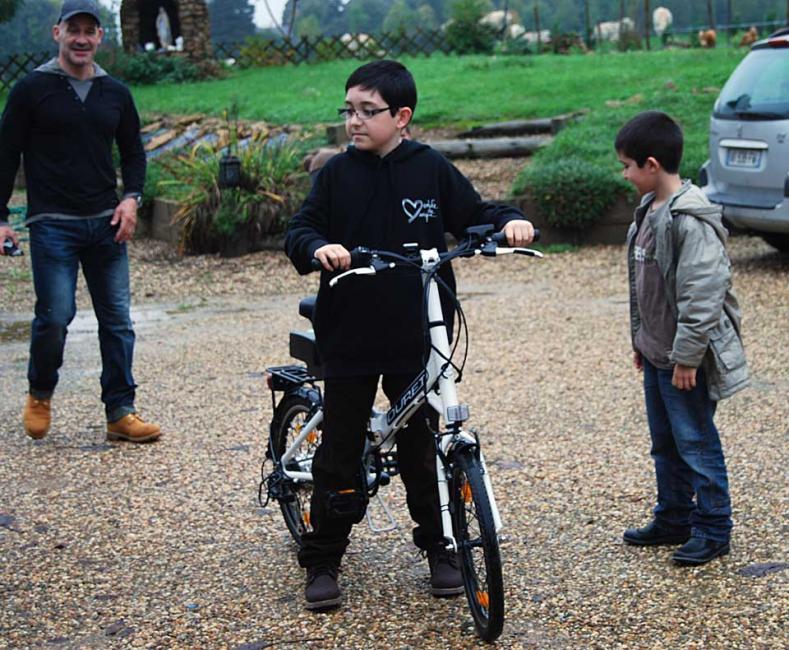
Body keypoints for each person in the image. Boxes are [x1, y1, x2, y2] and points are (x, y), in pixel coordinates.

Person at [285, 59, 535, 610]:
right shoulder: (336, 175)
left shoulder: (429, 168)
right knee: (341, 449)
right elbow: (301, 229)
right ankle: (323, 557)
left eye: (367, 111)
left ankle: (441, 549)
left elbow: (475, 212)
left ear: (402, 117)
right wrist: (318, 248)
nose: (354, 121)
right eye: (348, 110)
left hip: (417, 329)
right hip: (350, 331)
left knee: (422, 446)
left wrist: (509, 221)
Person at [0, 0, 161, 443]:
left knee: (118, 322)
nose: (82, 39)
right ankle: (40, 392)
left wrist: (131, 199)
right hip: (52, 223)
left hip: (107, 224)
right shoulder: (32, 89)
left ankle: (120, 412)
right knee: (55, 316)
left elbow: (134, 153)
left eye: (90, 31)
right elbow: (5, 153)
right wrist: (1, 218)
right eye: (74, 30)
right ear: (58, 33)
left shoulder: (116, 93)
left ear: (100, 38)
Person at [615, 111, 749, 565]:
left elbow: (702, 294)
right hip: (658, 354)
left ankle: (713, 527)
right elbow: (645, 290)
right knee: (665, 443)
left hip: (683, 360)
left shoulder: (689, 219)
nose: (624, 174)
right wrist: (641, 341)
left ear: (651, 165)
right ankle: (674, 516)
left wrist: (688, 357)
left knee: (695, 442)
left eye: (627, 166)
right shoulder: (648, 211)